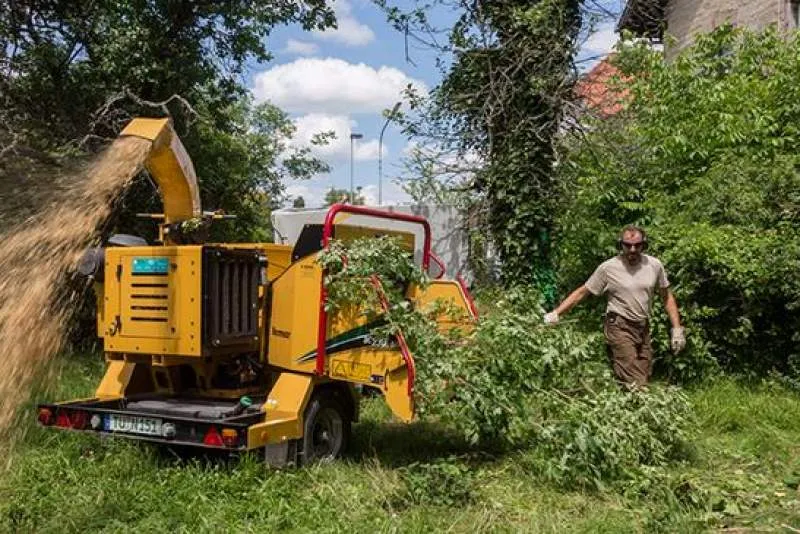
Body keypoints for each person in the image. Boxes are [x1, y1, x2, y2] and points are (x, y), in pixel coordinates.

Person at [544, 225, 685, 387]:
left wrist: (677, 329)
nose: (632, 249)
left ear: (644, 245)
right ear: (620, 245)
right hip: (619, 326)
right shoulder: (608, 268)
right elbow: (583, 292)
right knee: (635, 380)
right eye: (627, 245)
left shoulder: (654, 265)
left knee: (644, 372)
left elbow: (666, 297)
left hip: (642, 326)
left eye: (637, 245)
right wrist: (556, 313)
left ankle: (627, 406)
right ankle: (644, 407)